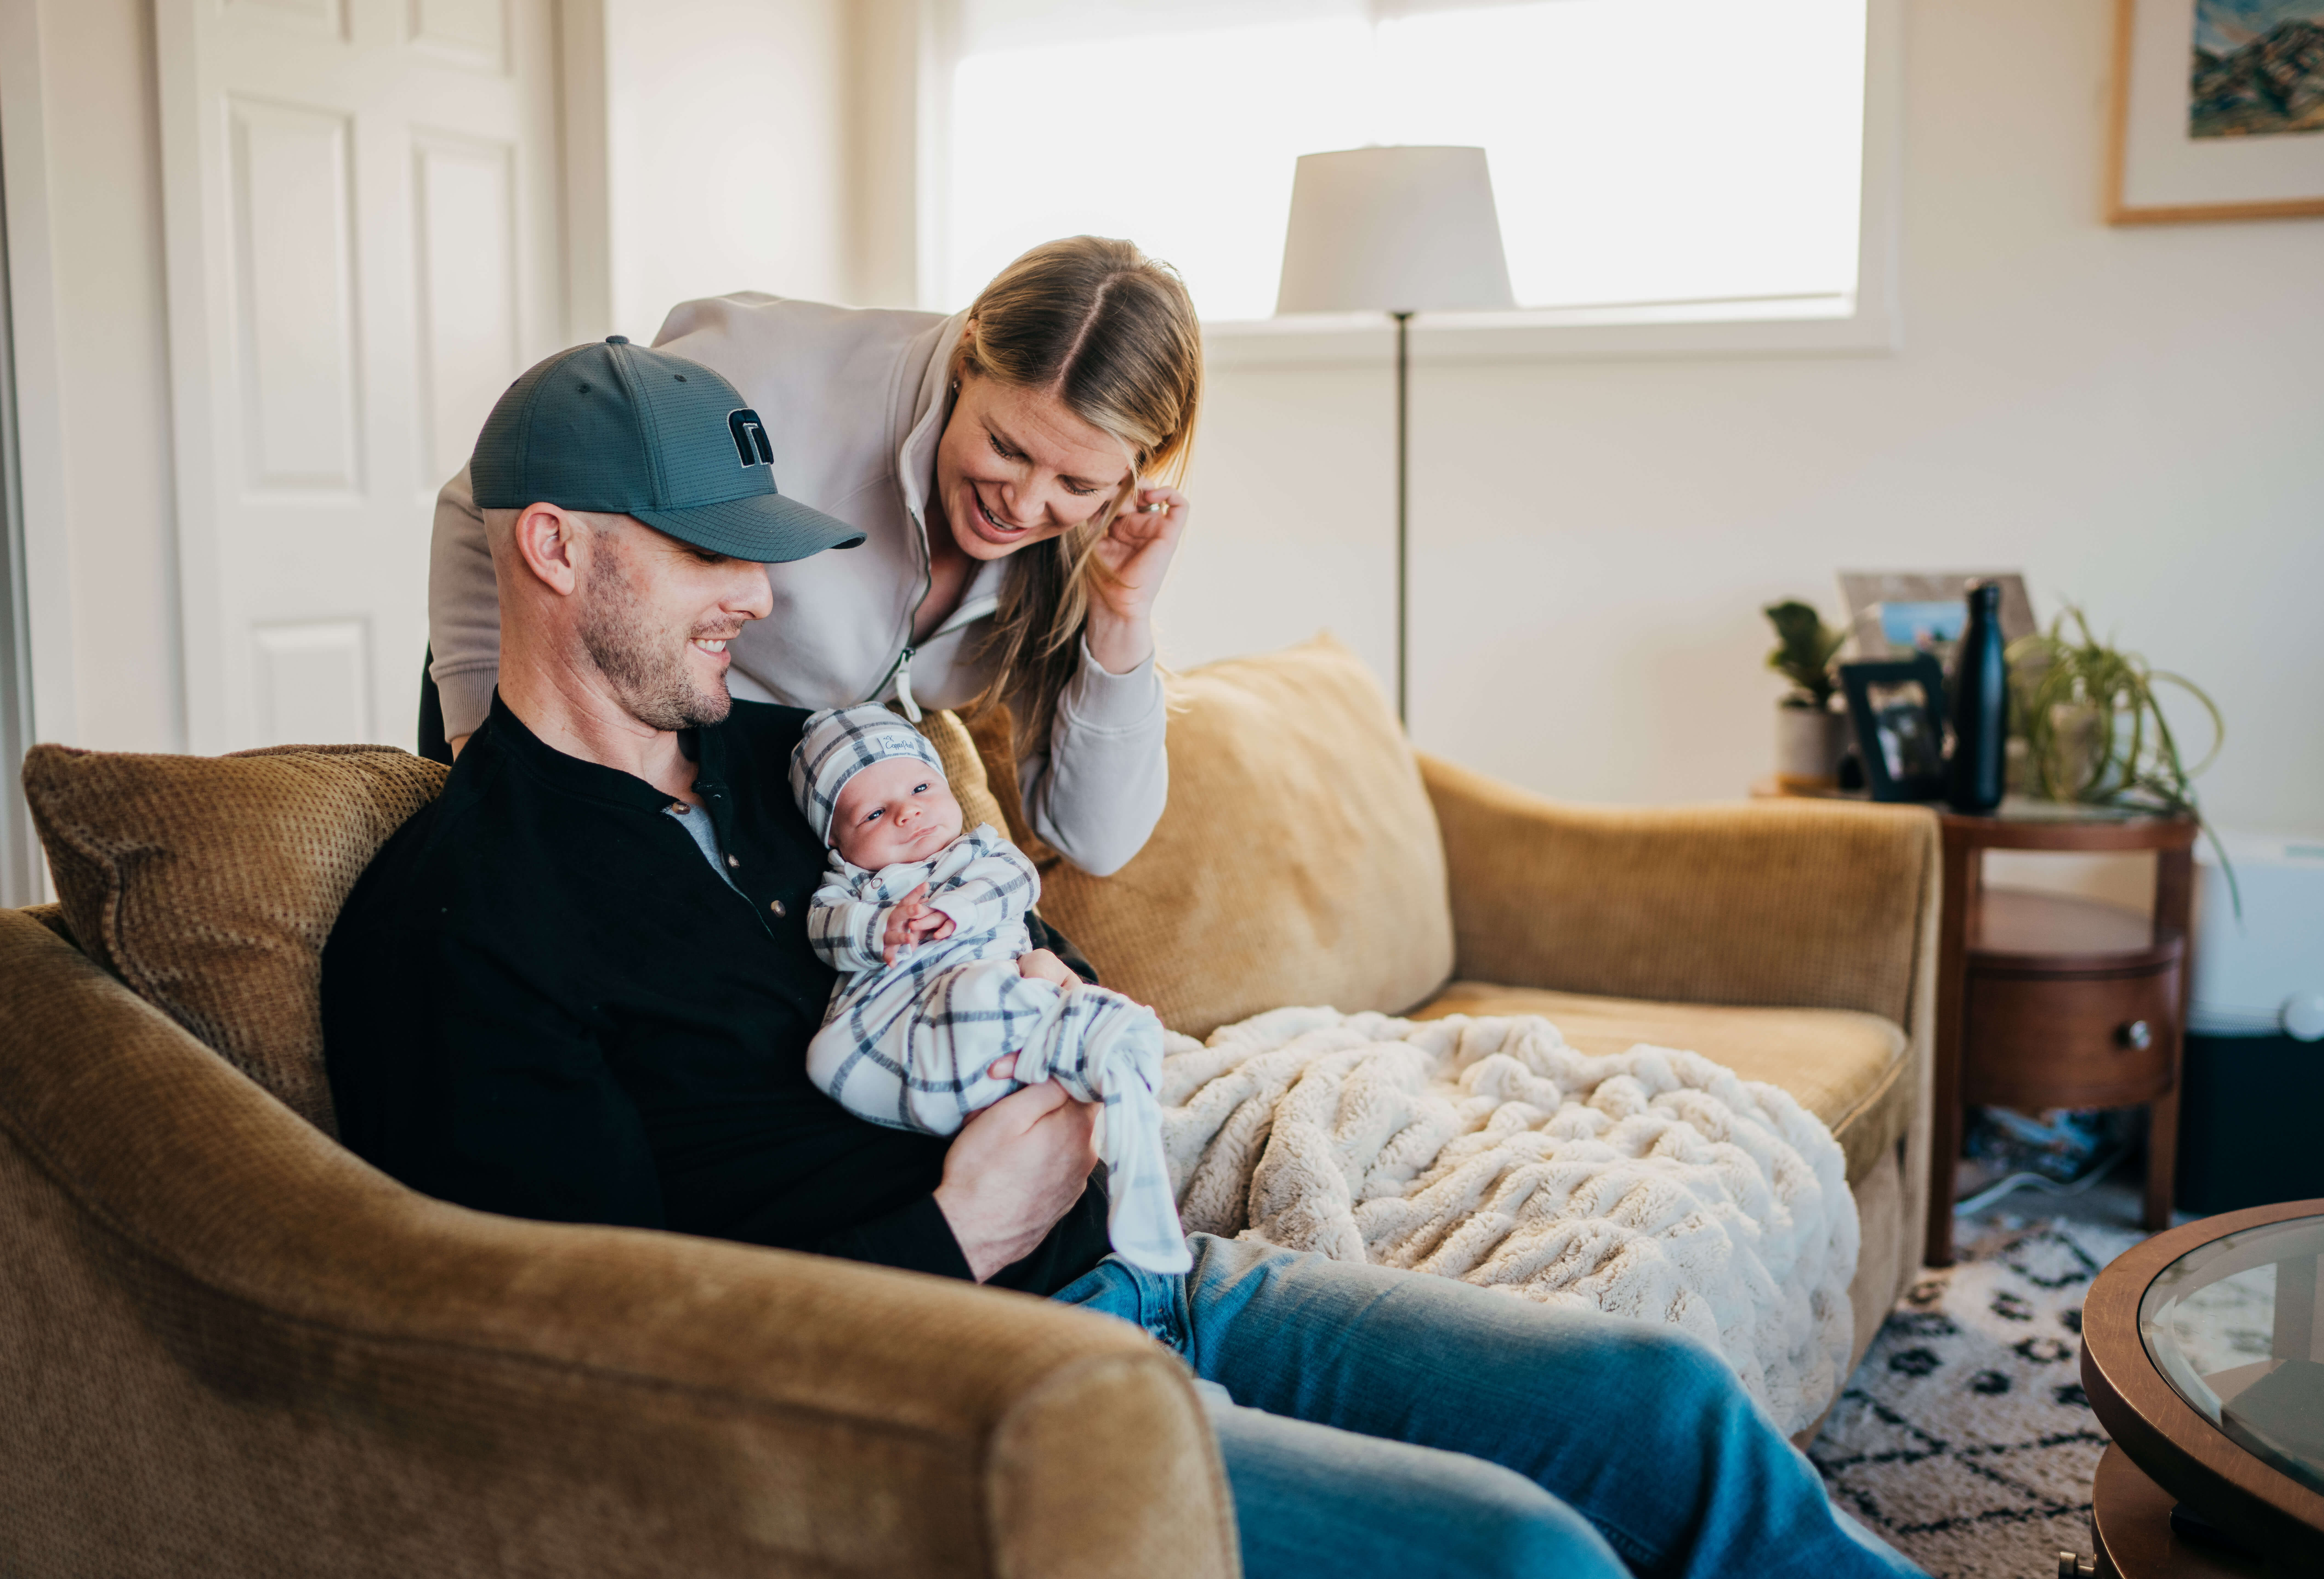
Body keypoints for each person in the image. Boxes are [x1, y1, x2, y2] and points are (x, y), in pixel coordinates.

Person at [326, 337, 1925, 1579]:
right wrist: (952, 1231)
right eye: (705, 557)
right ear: (551, 547)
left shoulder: (798, 760)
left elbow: (995, 924)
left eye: (763, 551)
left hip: (1163, 1278)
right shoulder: (460, 924)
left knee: (1659, 1408)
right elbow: (581, 1361)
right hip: (971, 1399)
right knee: (1521, 1558)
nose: (757, 598)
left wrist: (1064, 994)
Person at [422, 235, 1198, 876]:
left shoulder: (1085, 545)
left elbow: (1096, 840)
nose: (1024, 507)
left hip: (786, 795)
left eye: (1076, 481)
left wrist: (1122, 621)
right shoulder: (768, 369)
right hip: (593, 723)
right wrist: (498, 755)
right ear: (967, 361)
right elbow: (491, 500)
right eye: (1005, 446)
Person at [791, 704, 1188, 1274]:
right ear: (837, 843)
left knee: (995, 990)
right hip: (906, 1010)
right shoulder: (848, 886)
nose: (910, 813)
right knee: (828, 1059)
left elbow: (1015, 883)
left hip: (989, 981)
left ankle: (1089, 1058)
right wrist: (880, 928)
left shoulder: (977, 852)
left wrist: (952, 911)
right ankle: (976, 1096)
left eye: (923, 786)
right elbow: (826, 931)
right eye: (876, 813)